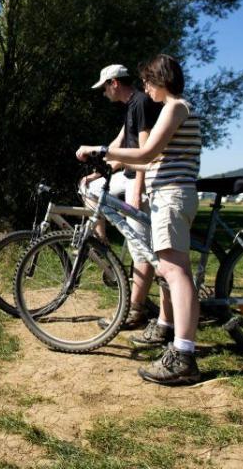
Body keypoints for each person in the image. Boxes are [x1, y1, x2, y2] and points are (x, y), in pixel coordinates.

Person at [76, 54, 202, 385]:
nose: (145, 87)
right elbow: (151, 161)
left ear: (161, 80)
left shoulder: (175, 107)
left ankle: (184, 356)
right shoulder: (176, 109)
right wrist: (109, 161)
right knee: (178, 272)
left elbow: (145, 155)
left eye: (148, 81)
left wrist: (101, 149)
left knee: (175, 273)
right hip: (171, 195)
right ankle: (176, 341)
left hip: (172, 197)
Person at [82, 64, 162, 329]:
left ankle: (136, 310)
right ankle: (102, 242)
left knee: (140, 246)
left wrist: (138, 190)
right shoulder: (129, 107)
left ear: (114, 83)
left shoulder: (140, 103)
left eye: (104, 87)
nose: (103, 93)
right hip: (126, 175)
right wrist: (98, 172)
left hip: (140, 178)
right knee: (87, 188)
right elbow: (118, 147)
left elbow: (143, 151)